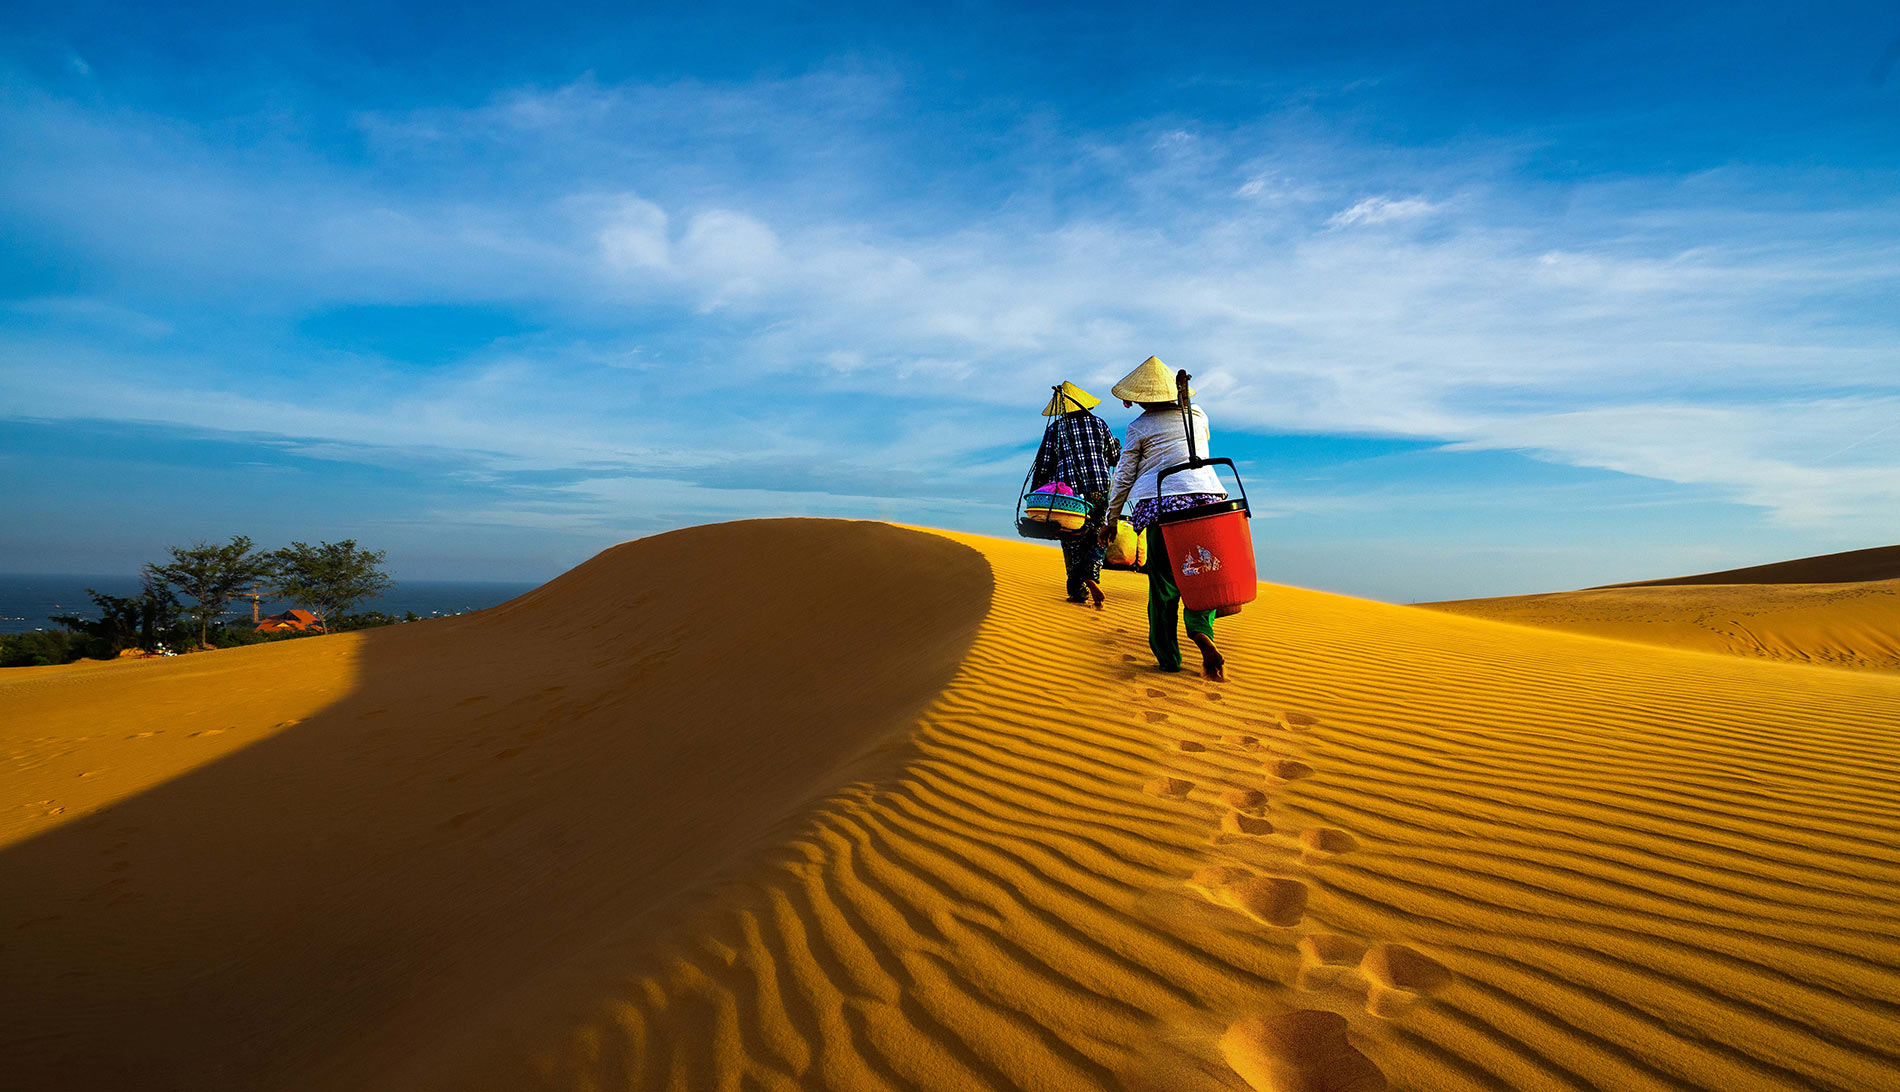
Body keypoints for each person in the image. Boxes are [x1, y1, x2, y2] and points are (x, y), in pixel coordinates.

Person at [1100, 356, 1228, 680]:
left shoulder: (1139, 426)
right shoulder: (1198, 415)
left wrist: (1111, 518)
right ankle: (1201, 633)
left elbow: (1125, 474)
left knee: (1164, 586)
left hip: (1164, 509)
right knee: (1201, 576)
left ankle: (1168, 658)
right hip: (1207, 504)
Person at [1030, 380, 1121, 608]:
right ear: (1085, 405)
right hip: (1099, 488)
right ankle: (1091, 572)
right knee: (1099, 533)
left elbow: (1043, 464)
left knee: (1070, 538)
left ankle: (1077, 590)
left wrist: (1037, 491)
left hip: (1068, 495)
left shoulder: (1055, 428)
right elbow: (1114, 458)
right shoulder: (1100, 424)